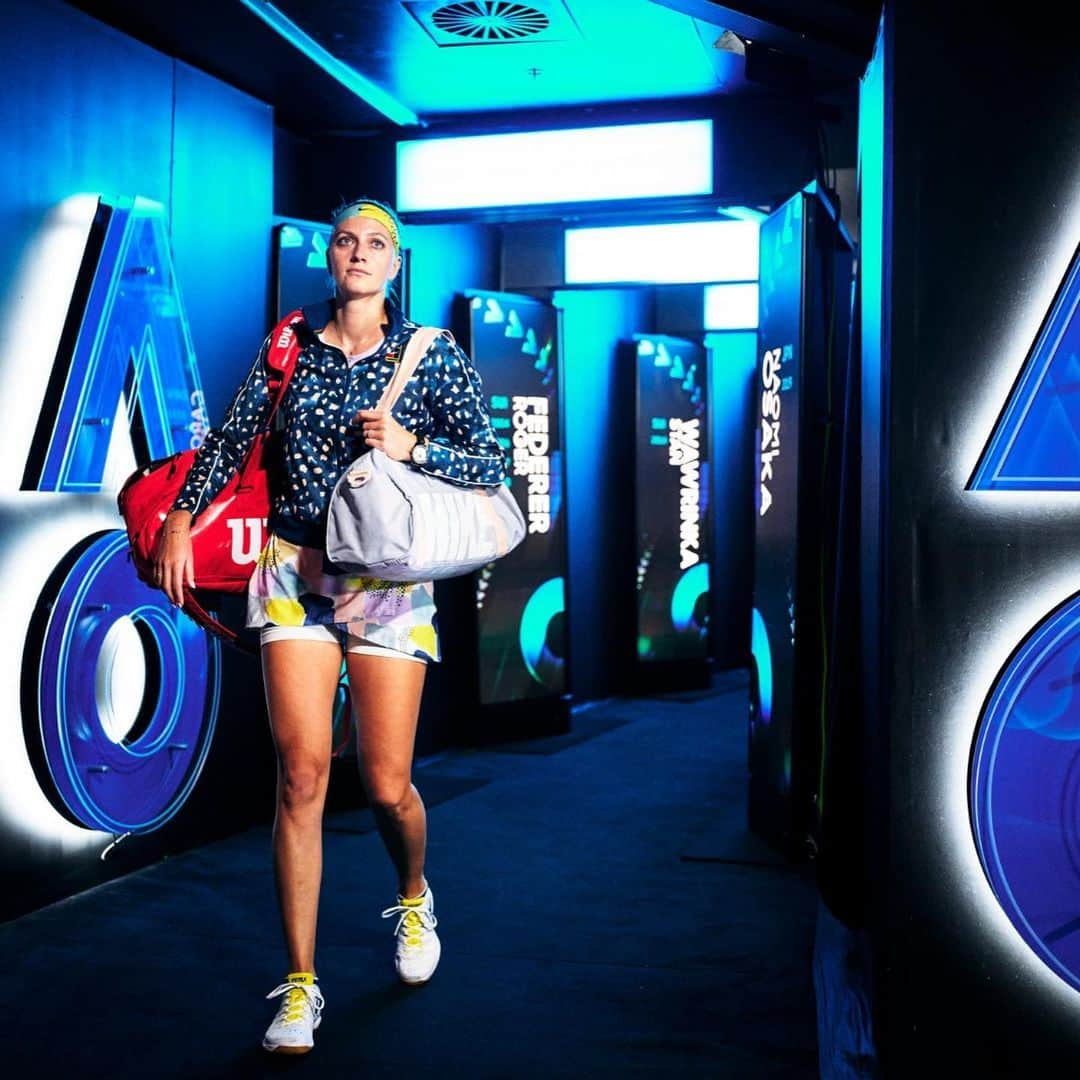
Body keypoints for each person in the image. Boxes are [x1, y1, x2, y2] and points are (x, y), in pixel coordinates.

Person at [153, 198, 506, 1055]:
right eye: (345, 240)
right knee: (301, 778)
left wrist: (414, 447)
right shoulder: (291, 345)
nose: (357, 252)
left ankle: (415, 894)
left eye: (375, 243)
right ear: (332, 257)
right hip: (291, 572)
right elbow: (233, 438)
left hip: (386, 581)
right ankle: (301, 987)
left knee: (386, 786)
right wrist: (178, 519)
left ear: (395, 265)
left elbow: (493, 464)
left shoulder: (431, 353)